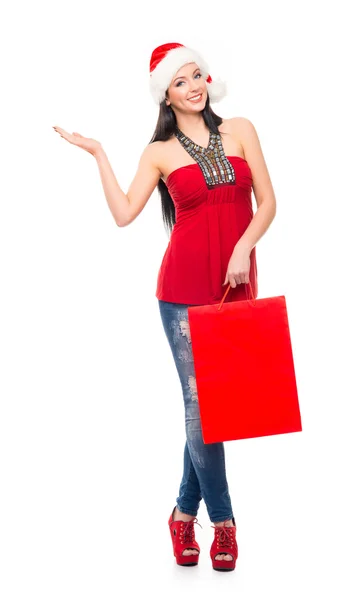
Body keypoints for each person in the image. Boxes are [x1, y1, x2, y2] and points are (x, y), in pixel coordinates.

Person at [52, 41, 276, 572]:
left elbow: (267, 202)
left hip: (234, 287)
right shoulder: (159, 152)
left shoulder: (241, 129)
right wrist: (100, 154)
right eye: (180, 81)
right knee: (203, 412)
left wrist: (244, 247)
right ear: (165, 95)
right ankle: (223, 524)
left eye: (197, 75)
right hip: (180, 293)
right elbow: (125, 213)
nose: (193, 86)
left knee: (217, 412)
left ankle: (181, 512)